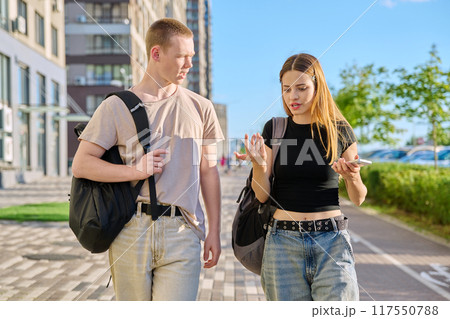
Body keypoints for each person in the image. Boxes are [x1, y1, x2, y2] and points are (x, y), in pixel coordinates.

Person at [72, 18, 224, 301]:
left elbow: (209, 171)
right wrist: (136, 170)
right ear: (156, 54)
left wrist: (214, 231)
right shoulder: (116, 106)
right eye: (181, 56)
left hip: (183, 231)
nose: (189, 64)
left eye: (192, 57)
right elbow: (82, 164)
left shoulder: (201, 108)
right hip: (131, 230)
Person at [235, 53, 367, 301]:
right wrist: (260, 167)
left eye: (301, 88)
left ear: (318, 87)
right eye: (286, 89)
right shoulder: (275, 129)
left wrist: (353, 177)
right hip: (282, 241)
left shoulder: (340, 130)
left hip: (332, 241)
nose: (292, 96)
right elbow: (262, 196)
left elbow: (358, 198)